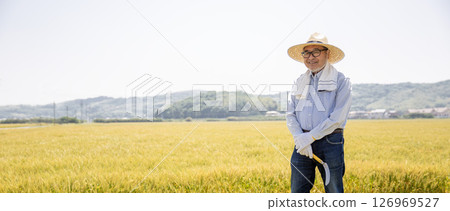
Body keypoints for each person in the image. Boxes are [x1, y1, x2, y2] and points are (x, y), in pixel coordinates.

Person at [286, 32, 352, 193]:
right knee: (297, 192)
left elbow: (338, 117)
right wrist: (300, 138)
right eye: (306, 53)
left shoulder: (341, 81)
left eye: (316, 52)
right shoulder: (298, 81)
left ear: (327, 53)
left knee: (333, 191)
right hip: (301, 142)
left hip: (330, 142)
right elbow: (290, 115)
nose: (310, 57)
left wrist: (312, 136)